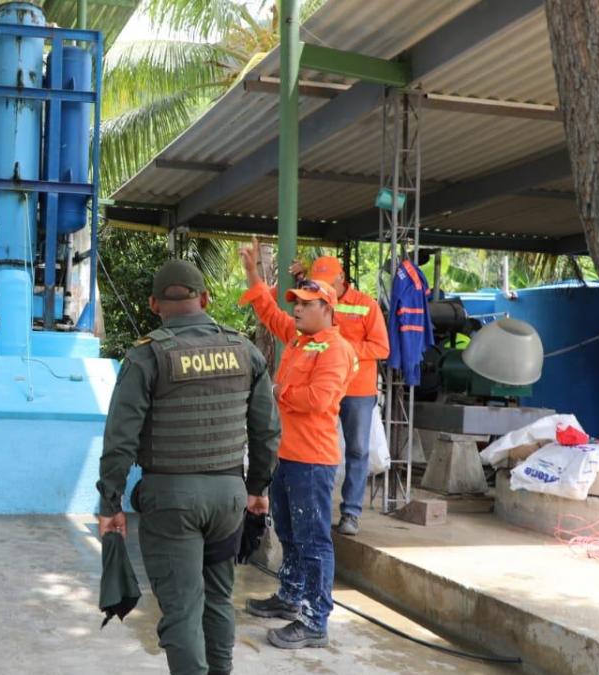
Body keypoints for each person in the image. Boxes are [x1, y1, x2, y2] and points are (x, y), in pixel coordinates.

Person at [97, 259, 281, 675]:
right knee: (218, 598)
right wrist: (257, 489)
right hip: (229, 499)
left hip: (172, 502)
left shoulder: (148, 356)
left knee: (181, 608)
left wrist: (110, 504)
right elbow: (268, 429)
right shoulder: (244, 350)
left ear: (153, 303)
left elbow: (120, 440)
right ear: (205, 298)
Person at [238, 238, 357, 650]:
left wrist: (277, 390)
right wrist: (253, 273)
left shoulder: (335, 349)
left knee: (313, 540)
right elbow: (269, 312)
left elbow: (320, 399)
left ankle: (315, 618)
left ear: (327, 307)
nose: (297, 309)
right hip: (288, 457)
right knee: (288, 531)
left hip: (313, 461)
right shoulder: (301, 339)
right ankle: (289, 597)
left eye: (306, 304)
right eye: (298, 304)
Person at [293, 257, 389, 535]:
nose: (323, 288)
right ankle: (315, 509)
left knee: (357, 450)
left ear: (341, 278)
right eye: (317, 283)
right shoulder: (317, 301)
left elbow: (381, 348)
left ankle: (351, 513)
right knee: (316, 445)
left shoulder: (366, 305)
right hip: (323, 388)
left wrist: (343, 349)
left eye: (327, 282)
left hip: (357, 391)